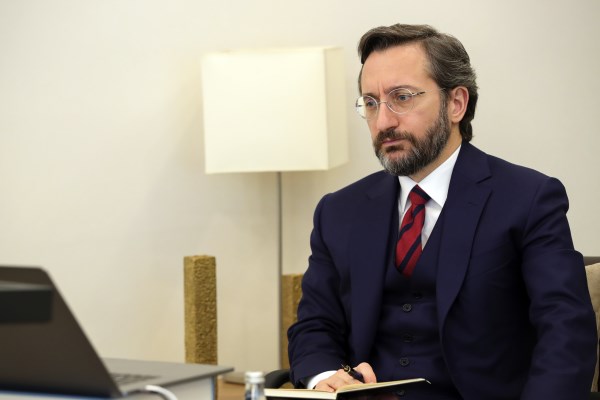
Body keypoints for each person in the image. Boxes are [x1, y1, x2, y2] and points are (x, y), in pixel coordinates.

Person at [287, 23, 598, 400]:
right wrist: (326, 378)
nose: (383, 122)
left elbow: (566, 331)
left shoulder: (529, 198)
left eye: (401, 97)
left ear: (456, 103)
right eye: (370, 103)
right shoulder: (338, 211)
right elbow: (315, 325)